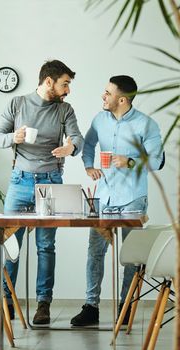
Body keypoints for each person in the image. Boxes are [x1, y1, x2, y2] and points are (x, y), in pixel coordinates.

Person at [0, 60, 84, 325]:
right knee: (10, 244)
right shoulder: (17, 104)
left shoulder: (64, 110)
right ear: (49, 81)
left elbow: (77, 139)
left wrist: (71, 149)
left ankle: (43, 305)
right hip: (20, 180)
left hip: (50, 181)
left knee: (46, 246)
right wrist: (14, 137)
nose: (68, 89)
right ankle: (5, 304)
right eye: (65, 83)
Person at [70, 75, 163, 327]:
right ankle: (91, 307)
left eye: (107, 93)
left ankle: (126, 307)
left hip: (132, 199)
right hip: (103, 197)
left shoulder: (146, 125)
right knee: (95, 253)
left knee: (130, 257)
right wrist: (89, 166)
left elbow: (157, 160)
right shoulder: (100, 120)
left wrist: (130, 161)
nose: (103, 96)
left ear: (121, 99)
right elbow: (88, 145)